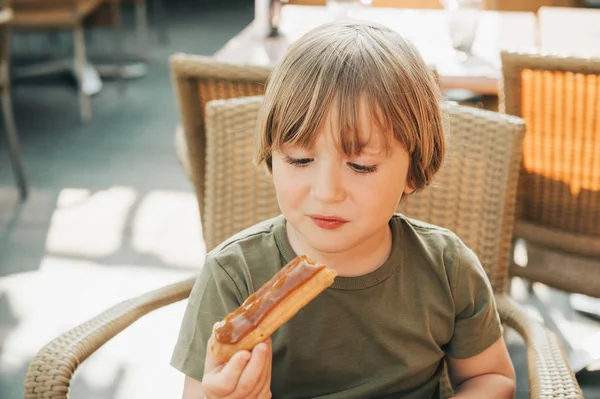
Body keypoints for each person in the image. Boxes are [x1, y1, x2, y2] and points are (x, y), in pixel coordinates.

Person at [171, 20, 516, 399]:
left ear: (413, 173)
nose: (327, 192)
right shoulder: (233, 275)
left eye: (361, 166)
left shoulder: (447, 268)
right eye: (300, 160)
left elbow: (491, 378)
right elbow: (197, 392)